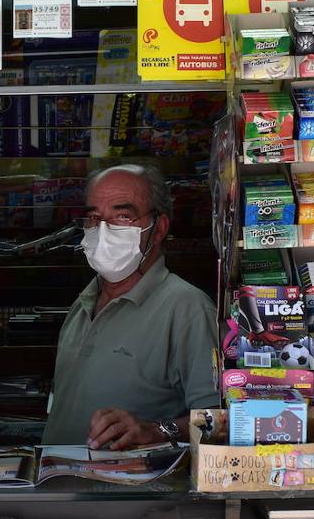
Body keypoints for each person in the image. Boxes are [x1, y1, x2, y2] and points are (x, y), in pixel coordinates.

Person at [42, 164, 220, 449]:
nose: (103, 230)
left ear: (158, 228)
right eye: (94, 218)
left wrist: (157, 431)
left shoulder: (187, 308)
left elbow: (220, 420)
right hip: (60, 486)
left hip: (130, 490)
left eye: (122, 216)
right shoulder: (83, 302)